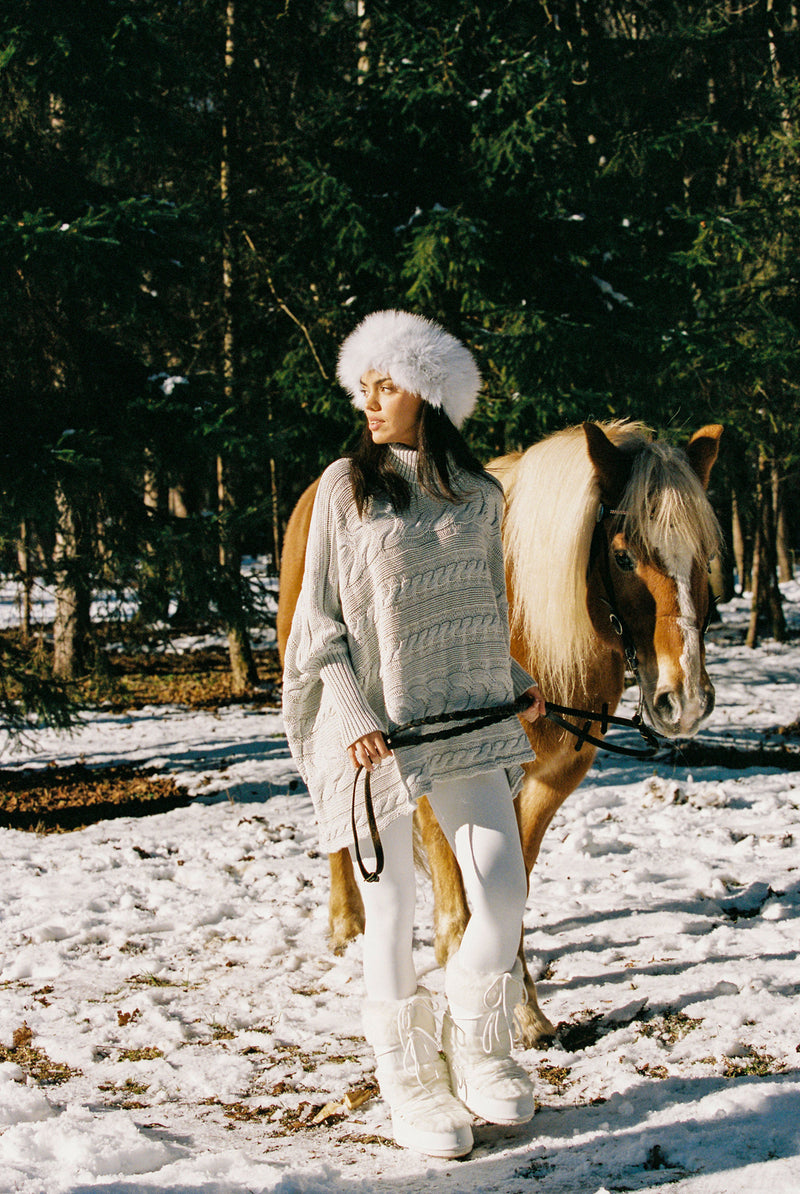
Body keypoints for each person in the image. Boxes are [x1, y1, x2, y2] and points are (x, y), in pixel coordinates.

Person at [282, 309, 545, 1159]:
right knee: (391, 908)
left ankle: (474, 1034)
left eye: (385, 384)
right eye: (364, 386)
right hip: (369, 726)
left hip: (463, 714)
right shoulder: (343, 488)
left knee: (502, 895)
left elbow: (480, 615)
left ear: (429, 392)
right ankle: (407, 1076)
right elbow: (315, 625)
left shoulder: (480, 497)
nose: (369, 400)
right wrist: (353, 715)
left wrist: (513, 683)